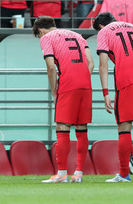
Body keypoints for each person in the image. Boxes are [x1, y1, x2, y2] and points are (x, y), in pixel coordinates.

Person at [33, 16, 94, 184]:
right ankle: (79, 173)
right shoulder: (77, 35)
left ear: (41, 31)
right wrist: (81, 78)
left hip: (68, 83)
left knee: (62, 126)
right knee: (82, 128)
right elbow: (91, 63)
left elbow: (51, 67)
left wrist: (54, 91)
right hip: (85, 84)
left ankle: (61, 174)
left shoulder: (46, 38)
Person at [93, 12, 133, 183]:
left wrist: (105, 93)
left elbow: (103, 65)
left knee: (124, 127)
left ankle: (124, 174)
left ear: (101, 26)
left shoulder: (104, 32)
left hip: (126, 80)